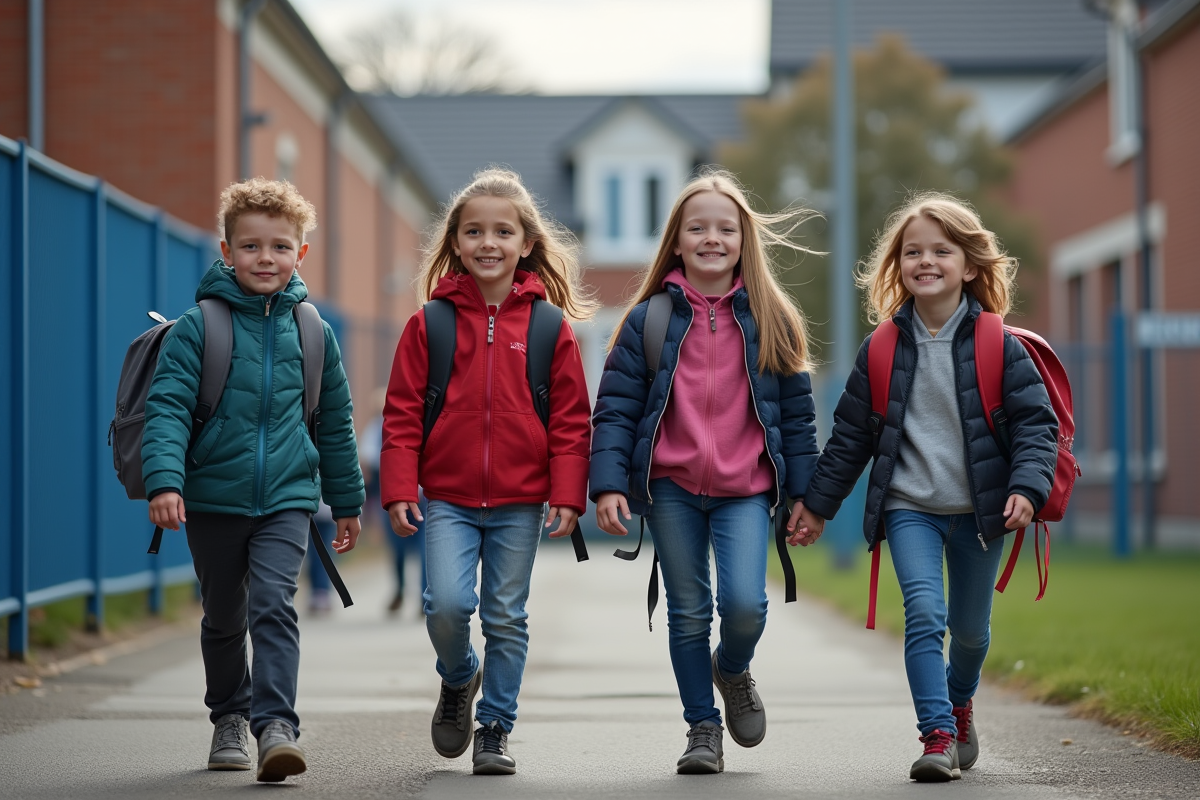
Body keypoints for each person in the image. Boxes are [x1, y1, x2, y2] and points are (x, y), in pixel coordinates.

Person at [797, 193, 1058, 782]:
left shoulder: (1000, 344)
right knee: (924, 614)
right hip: (910, 506)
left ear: (969, 266)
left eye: (942, 250)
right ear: (898, 266)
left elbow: (1036, 427)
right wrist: (815, 508)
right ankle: (937, 735)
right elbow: (849, 441)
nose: (926, 260)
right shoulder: (881, 349)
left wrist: (1027, 487)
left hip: (981, 511)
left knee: (970, 631)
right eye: (913, 251)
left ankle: (960, 703)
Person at [590, 169, 822, 775]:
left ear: (745, 238)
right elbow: (615, 409)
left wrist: (806, 496)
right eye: (697, 227)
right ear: (677, 239)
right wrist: (609, 482)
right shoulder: (648, 320)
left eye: (725, 227)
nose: (711, 238)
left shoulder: (774, 319)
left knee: (745, 605)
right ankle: (701, 728)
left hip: (745, 490)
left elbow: (797, 421)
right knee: (688, 611)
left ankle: (733, 667)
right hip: (671, 489)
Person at [142, 178, 365, 783]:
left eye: (279, 247)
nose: (265, 259)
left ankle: (276, 728)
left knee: (274, 602)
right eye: (250, 247)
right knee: (223, 614)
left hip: (289, 497)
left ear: (301, 254)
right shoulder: (198, 327)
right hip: (212, 495)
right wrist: (165, 482)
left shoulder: (314, 330)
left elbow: (335, 422)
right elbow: (165, 408)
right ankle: (229, 718)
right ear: (225, 251)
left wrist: (346, 499)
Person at [380, 168, 595, 775]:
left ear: (526, 242)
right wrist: (399, 487)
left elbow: (573, 422)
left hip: (520, 503)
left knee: (506, 615)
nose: (488, 242)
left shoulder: (551, 328)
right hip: (445, 498)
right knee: (445, 606)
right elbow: (400, 415)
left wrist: (567, 493)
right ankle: (459, 677)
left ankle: (495, 727)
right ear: (456, 242)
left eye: (503, 231)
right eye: (473, 231)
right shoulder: (430, 324)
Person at [358, 389, 426, 615]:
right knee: (408, 548)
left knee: (411, 548)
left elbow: (368, 462)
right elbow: (367, 460)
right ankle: (406, 591)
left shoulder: (378, 429)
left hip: (408, 495)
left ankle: (415, 593)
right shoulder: (377, 428)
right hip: (407, 496)